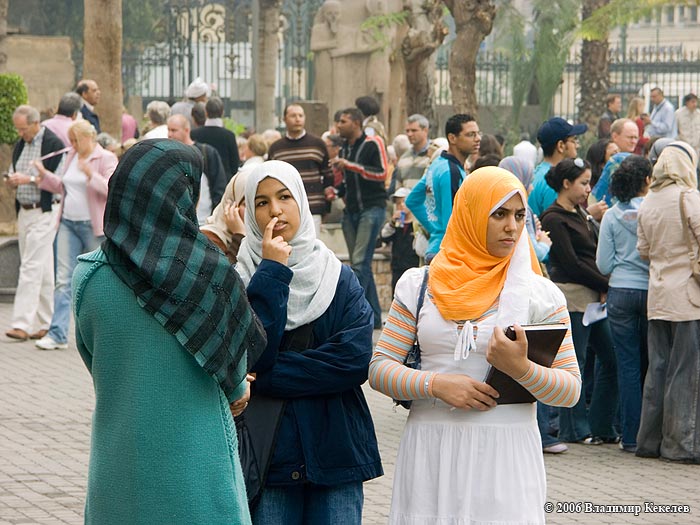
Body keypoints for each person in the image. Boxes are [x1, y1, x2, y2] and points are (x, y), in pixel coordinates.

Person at [369, 167, 580, 523]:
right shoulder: (420, 286)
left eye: (518, 215)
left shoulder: (541, 294)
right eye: (498, 214)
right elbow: (379, 369)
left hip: (505, 459)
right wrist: (435, 384)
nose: (512, 227)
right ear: (469, 214)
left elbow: (570, 389)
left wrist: (521, 368)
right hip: (431, 455)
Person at [71, 139, 266, 524]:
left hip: (119, 471)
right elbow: (236, 384)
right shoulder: (208, 274)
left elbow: (95, 359)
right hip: (198, 472)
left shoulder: (88, 276)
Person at [235, 160, 382, 522]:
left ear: (301, 199)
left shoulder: (338, 277)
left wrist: (267, 378)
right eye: (262, 202)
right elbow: (253, 354)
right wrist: (271, 272)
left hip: (335, 450)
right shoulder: (240, 279)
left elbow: (353, 361)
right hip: (270, 456)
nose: (276, 210)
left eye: (285, 197)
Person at [540, 158, 619, 445]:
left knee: (611, 358)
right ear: (566, 184)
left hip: (594, 300)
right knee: (576, 361)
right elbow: (572, 263)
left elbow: (594, 253)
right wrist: (605, 284)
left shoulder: (581, 213)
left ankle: (601, 424)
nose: (588, 189)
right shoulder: (553, 218)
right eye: (584, 183)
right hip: (574, 298)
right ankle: (574, 428)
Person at [636, 141, 700, 463]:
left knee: (657, 369)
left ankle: (648, 440)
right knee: (686, 371)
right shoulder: (688, 197)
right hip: (688, 297)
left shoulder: (649, 201)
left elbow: (643, 249)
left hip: (658, 296)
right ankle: (681, 444)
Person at [31, 120, 118, 350]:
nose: (72, 144)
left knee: (96, 279)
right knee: (63, 278)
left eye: (75, 140)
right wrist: (45, 175)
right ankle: (58, 333)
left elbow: (112, 189)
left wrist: (91, 174)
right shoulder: (71, 156)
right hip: (68, 222)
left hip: (92, 226)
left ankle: (100, 335)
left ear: (89, 137)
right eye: (71, 140)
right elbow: (63, 187)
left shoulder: (105, 158)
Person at [595, 155, 652, 453]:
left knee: (627, 365)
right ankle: (650, 435)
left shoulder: (612, 216)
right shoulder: (653, 212)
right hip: (652, 292)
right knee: (652, 364)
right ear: (647, 181)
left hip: (620, 292)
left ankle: (629, 436)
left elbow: (603, 263)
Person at [4, 105, 65, 341]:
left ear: (36, 122)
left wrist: (28, 179)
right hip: (25, 211)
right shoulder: (22, 144)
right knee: (43, 268)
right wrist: (12, 179)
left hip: (45, 210)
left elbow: (59, 181)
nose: (20, 133)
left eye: (23, 128)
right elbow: (14, 169)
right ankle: (47, 321)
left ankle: (21, 323)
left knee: (30, 265)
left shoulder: (53, 144)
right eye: (18, 129)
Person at [333, 107, 388, 328]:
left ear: (356, 123)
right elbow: (348, 182)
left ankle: (354, 315)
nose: (338, 126)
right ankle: (373, 317)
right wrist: (336, 192)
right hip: (352, 212)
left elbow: (381, 173)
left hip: (371, 209)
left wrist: (351, 166)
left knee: (358, 263)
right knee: (362, 264)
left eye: (343, 121)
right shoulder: (345, 147)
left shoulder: (373, 143)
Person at [405, 113, 480, 261]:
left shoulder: (437, 164)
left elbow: (412, 200)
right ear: (452, 138)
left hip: (436, 247)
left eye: (478, 133)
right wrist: (438, 229)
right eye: (470, 135)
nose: (477, 139)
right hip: (448, 254)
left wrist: (435, 229)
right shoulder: (450, 172)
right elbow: (452, 221)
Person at [268, 104, 334, 236]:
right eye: (293, 116)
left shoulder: (317, 144)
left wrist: (326, 207)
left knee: (312, 247)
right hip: (286, 208)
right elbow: (271, 179)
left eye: (301, 116)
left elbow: (328, 175)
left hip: (313, 206)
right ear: (284, 119)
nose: (297, 119)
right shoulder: (276, 148)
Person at [167, 114, 226, 224]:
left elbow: (219, 186)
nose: (169, 134)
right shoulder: (169, 154)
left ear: (186, 130)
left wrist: (214, 218)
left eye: (174, 130)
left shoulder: (207, 153)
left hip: (205, 222)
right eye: (168, 130)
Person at [528, 117, 588, 217]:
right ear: (561, 146)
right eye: (574, 140)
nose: (577, 146)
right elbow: (558, 221)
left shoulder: (537, 173)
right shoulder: (553, 182)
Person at [377, 187, 420, 293]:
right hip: (397, 268)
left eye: (403, 202)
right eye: (398, 203)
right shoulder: (396, 224)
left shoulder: (417, 223)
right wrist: (392, 222)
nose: (401, 206)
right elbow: (384, 236)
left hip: (413, 268)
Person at [191, 96, 241, 179]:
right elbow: (234, 164)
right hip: (225, 181)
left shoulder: (194, 134)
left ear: (206, 112)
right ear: (222, 113)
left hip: (200, 180)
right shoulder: (229, 136)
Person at [389, 114, 439, 193]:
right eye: (407, 131)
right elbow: (398, 188)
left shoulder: (436, 154)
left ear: (425, 130)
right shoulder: (403, 158)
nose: (410, 134)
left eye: (414, 130)